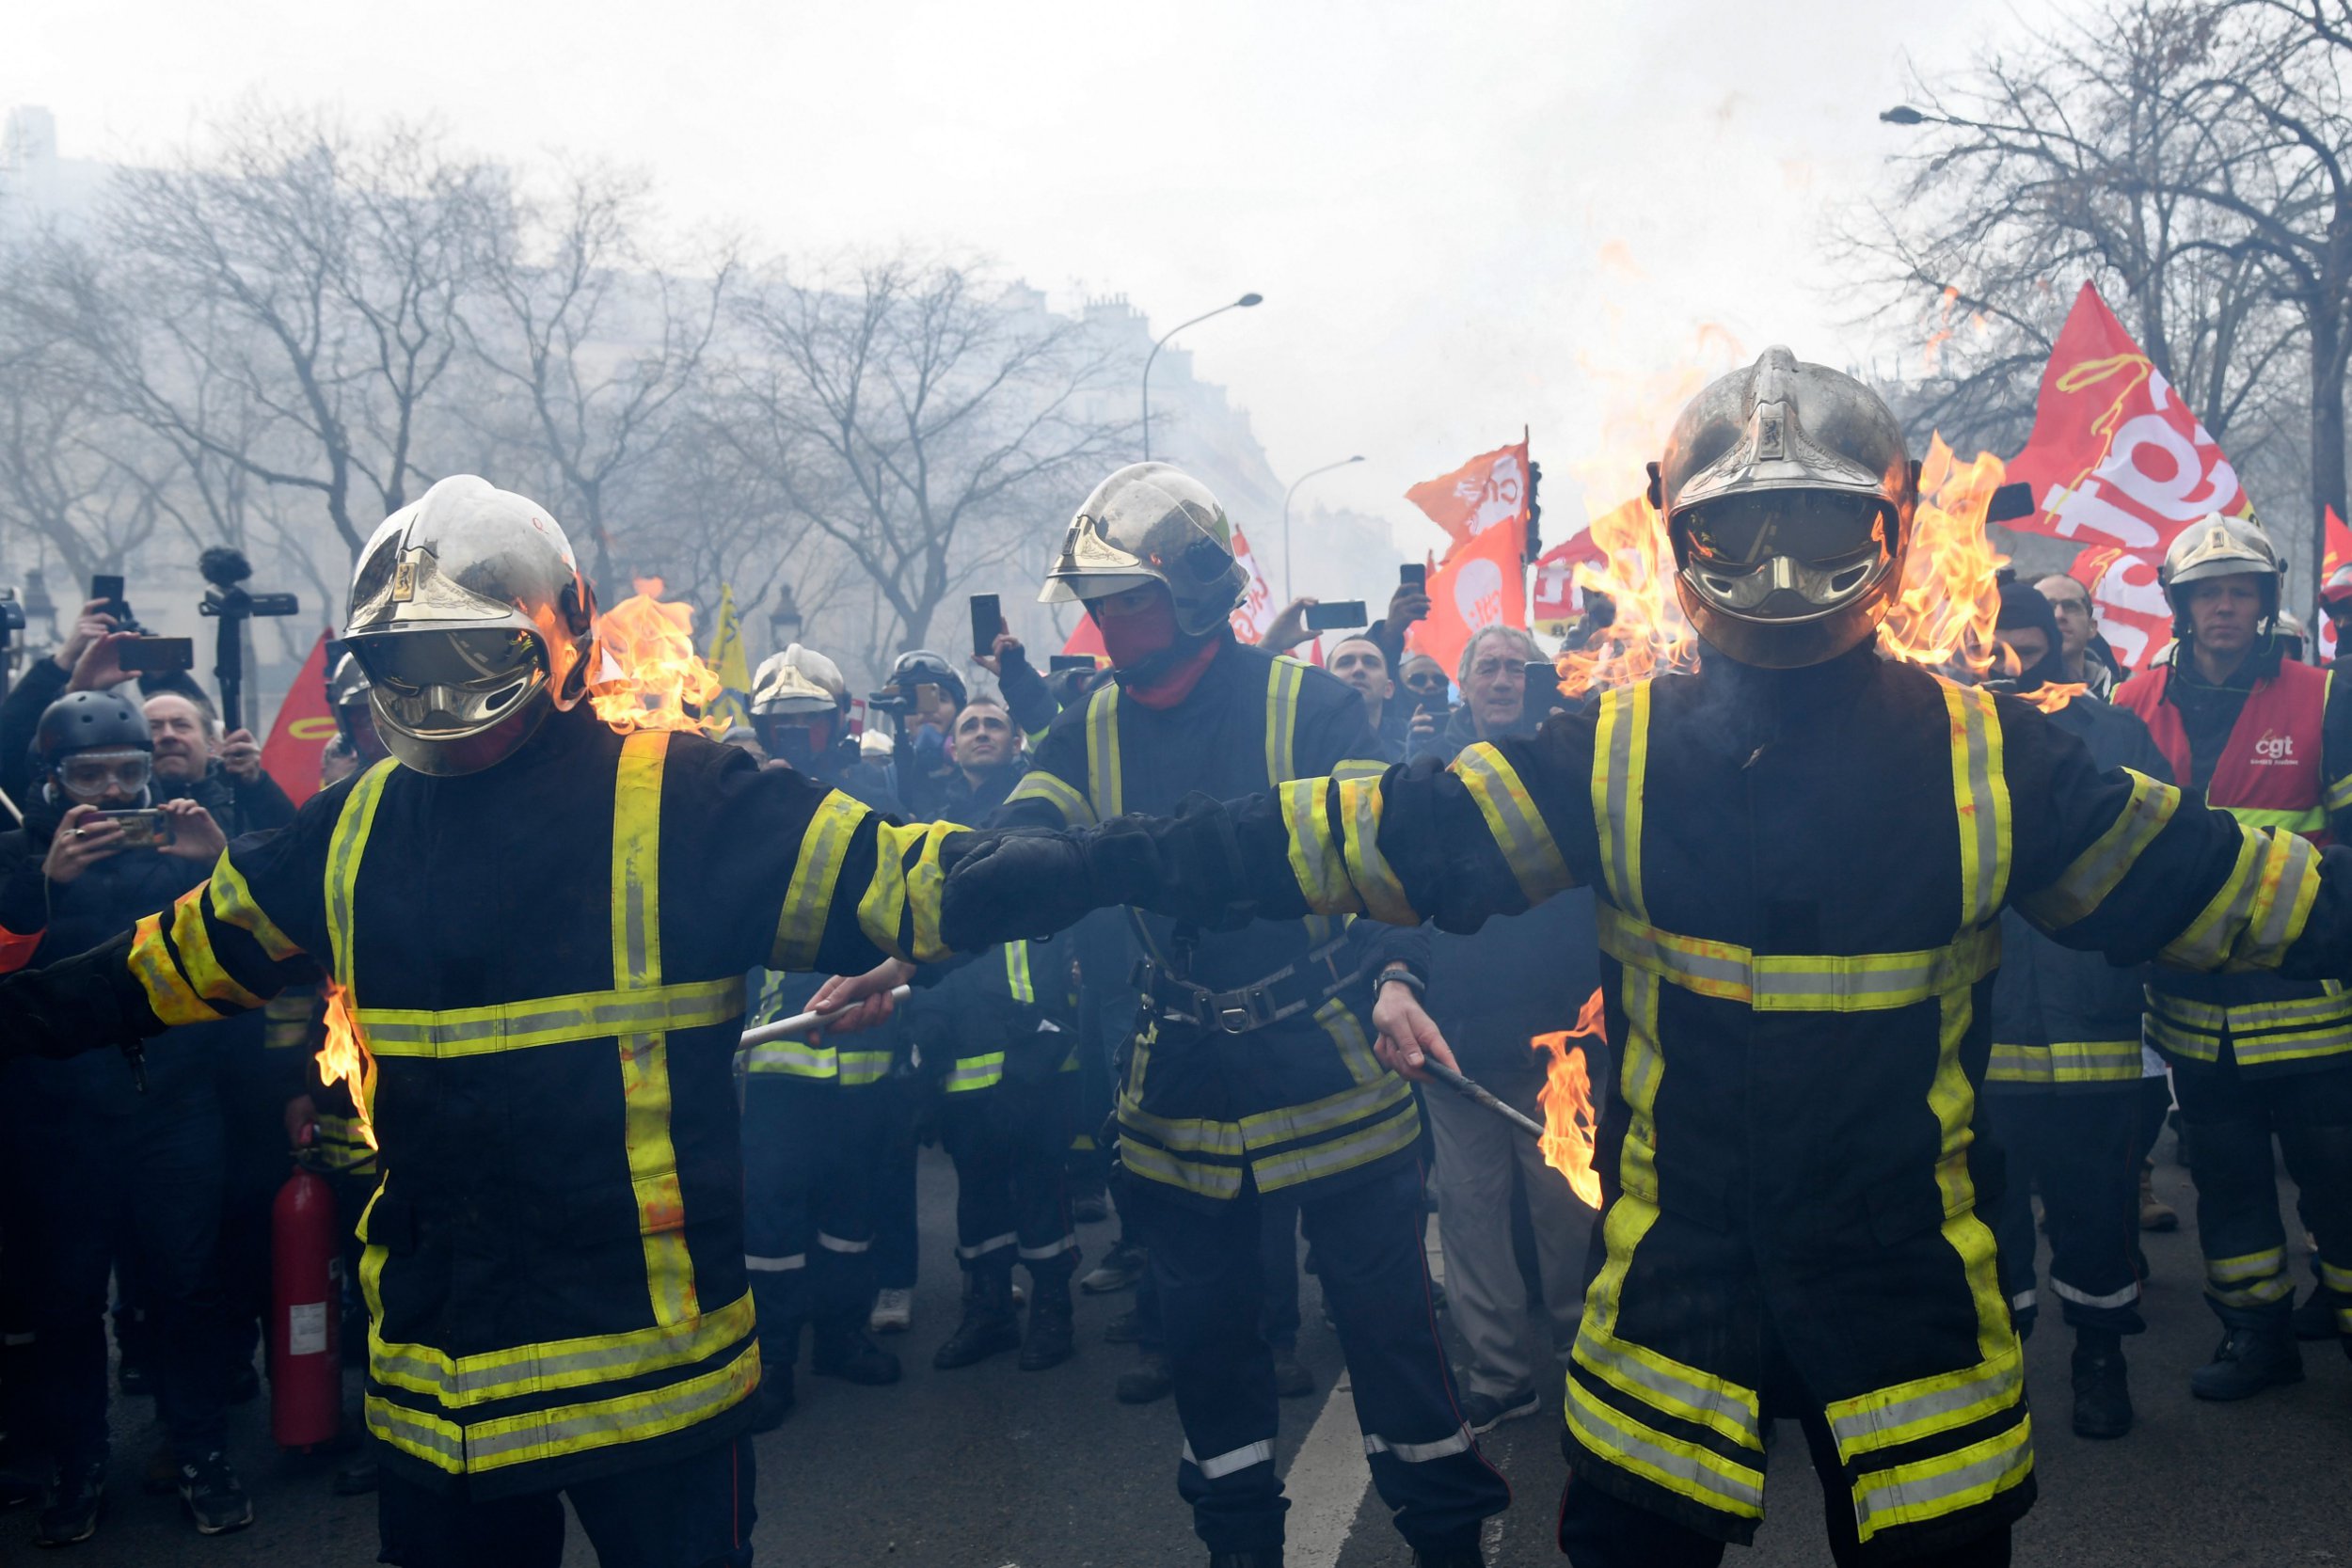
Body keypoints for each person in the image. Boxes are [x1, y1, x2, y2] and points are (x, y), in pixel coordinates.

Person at [931, 347, 2352, 1568]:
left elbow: (2247, 890)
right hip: (1693, 1291)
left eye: (1816, 523)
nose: (1785, 565)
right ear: (1684, 540)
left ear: (1893, 530)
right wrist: (1088, 856)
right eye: (1751, 530)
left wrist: (1090, 859)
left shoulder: (1990, 756)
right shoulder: (1629, 750)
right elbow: (1360, 830)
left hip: (1898, 1295)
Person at [0, 475, 977, 1568]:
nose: (439, 692)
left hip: (652, 1393)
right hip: (441, 1393)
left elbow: (934, 881)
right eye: (409, 661)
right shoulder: (350, 826)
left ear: (555, 637)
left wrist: (1172, 855)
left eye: (467, 655)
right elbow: (154, 970)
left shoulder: (686, 794)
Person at [980, 461, 1510, 1568]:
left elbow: (1394, 860)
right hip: (1177, 1082)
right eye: (1095, 602)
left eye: (1124, 598)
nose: (1104, 623)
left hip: (1327, 1070)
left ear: (1199, 589)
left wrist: (1401, 978)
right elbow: (1022, 853)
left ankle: (1449, 1544)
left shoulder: (1313, 706)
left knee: (1394, 1344)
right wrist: (909, 946)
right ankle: (1237, 1550)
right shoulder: (1083, 730)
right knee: (1208, 1354)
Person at [0, 691, 249, 1543]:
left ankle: (201, 1451)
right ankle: (78, 1463)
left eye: (128, 773)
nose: (108, 793)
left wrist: (218, 866)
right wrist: (41, 884)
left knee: (187, 1288)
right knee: (68, 1302)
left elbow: (255, 952)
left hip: (173, 1109)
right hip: (57, 1122)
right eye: (88, 775)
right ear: (50, 778)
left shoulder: (181, 845)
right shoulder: (16, 855)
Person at [2113, 514, 2352, 1396]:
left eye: (2240, 590)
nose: (2224, 606)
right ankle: (2256, 1336)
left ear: (2264, 601)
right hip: (2190, 1007)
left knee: (2338, 1180)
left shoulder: (2325, 696)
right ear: (2180, 604)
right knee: (2228, 1179)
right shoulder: (2129, 702)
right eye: (2208, 591)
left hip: (2310, 1001)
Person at [1387, 622, 1603, 1437]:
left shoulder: (1566, 768)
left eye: (1518, 667)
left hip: (1561, 1050)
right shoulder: (1428, 778)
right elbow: (1401, 893)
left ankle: (1587, 1360)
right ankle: (1501, 1375)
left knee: (1568, 1217)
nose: (1505, 680)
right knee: (1472, 1220)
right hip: (1459, 1049)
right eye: (1490, 667)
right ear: (1465, 682)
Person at [1978, 583, 2172, 1440]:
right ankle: (2000, 1368)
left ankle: (2101, 1357)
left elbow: (2163, 854)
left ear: (2059, 642)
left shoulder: (2114, 735)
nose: (2017, 662)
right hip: (1984, 1039)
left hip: (2093, 1024)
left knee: (2098, 1211)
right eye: (2002, 646)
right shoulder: (1944, 738)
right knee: (1989, 1223)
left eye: (2032, 644)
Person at [735, 642, 904, 1432]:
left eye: (811, 724)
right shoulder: (739, 808)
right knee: (770, 1212)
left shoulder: (878, 803)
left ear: (840, 724)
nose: (797, 739)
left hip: (867, 1047)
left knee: (853, 1204)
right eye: (784, 725)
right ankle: (769, 1360)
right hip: (777, 1051)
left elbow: (911, 914)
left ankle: (841, 1335)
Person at [2032, 573, 2120, 698]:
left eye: (2071, 607)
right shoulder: (2003, 696)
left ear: (2092, 627)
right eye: (2047, 606)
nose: (2059, 615)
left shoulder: (2121, 699)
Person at [1327, 634, 1406, 760]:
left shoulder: (1409, 753)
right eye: (1345, 663)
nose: (1359, 669)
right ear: (1326, 686)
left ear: (1388, 689)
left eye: (1371, 663)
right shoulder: (1305, 748)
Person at [1396, 653, 1453, 759]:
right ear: (1400, 688)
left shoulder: (1465, 729)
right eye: (1418, 680)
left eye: (1439, 680)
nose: (1431, 685)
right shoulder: (1385, 737)